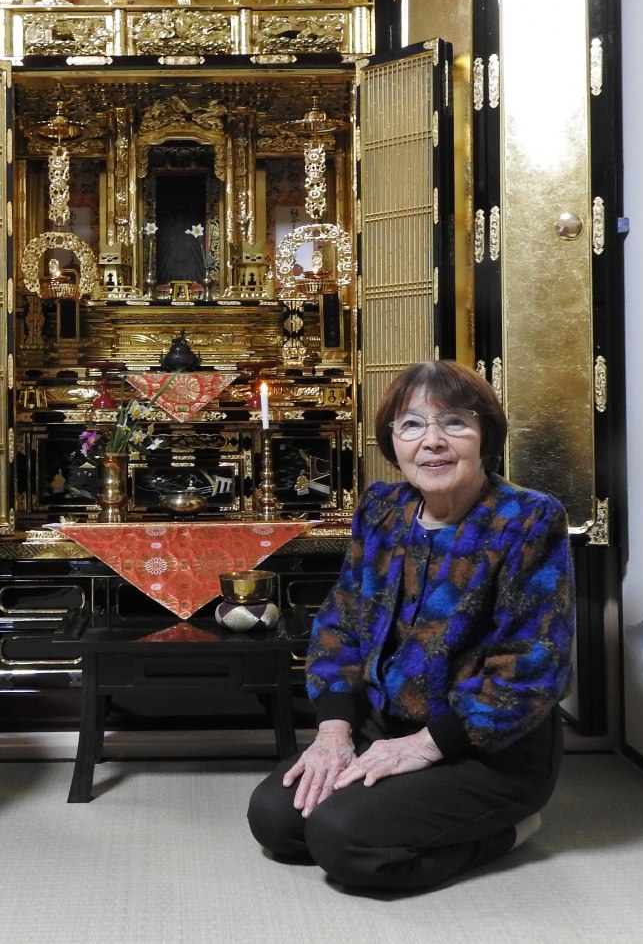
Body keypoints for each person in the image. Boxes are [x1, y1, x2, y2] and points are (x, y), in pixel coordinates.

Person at [247, 359, 573, 893]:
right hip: (385, 728)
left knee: (343, 841)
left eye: (456, 423)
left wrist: (424, 746)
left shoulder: (528, 519)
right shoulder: (382, 509)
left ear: (485, 435)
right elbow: (340, 625)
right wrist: (334, 731)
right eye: (413, 425)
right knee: (277, 820)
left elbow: (532, 666)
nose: (433, 441)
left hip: (486, 747)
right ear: (393, 442)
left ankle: (510, 830)